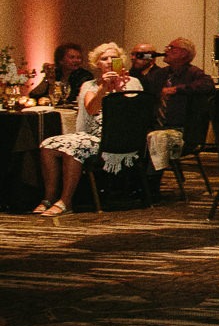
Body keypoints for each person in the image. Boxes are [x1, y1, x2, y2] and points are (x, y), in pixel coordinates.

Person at [33, 43, 142, 217]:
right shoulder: (89, 86)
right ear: (97, 63)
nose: (108, 62)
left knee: (73, 148)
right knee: (47, 144)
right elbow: (92, 109)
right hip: (92, 135)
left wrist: (119, 86)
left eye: (114, 58)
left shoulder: (132, 83)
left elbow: (131, 112)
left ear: (120, 62)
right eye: (104, 59)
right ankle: (48, 197)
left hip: (116, 138)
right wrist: (103, 88)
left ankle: (66, 201)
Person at [144, 37, 215, 131]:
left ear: (183, 53)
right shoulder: (160, 74)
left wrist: (176, 89)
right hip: (155, 127)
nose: (166, 50)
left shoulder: (193, 73)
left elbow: (208, 85)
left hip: (181, 129)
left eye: (171, 48)